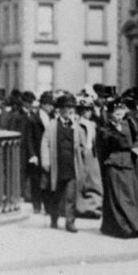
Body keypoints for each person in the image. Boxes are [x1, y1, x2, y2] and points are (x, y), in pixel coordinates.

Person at [97, 96, 138, 238]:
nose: (120, 116)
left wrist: (136, 148)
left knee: (130, 195)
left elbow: (136, 139)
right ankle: (120, 227)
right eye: (116, 113)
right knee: (117, 197)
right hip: (114, 164)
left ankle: (134, 225)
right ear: (110, 114)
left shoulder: (129, 123)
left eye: (121, 112)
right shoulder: (105, 129)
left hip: (129, 163)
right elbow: (107, 145)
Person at [40, 93, 85, 233]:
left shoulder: (75, 126)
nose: (68, 111)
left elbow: (82, 144)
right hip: (57, 166)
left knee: (71, 196)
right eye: (65, 108)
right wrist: (46, 161)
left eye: (70, 108)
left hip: (71, 166)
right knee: (56, 195)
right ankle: (54, 219)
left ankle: (70, 222)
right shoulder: (52, 125)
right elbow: (45, 143)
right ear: (59, 110)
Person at [75, 95, 103, 219]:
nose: (87, 112)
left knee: (94, 181)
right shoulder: (76, 123)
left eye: (89, 110)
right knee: (81, 180)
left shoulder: (93, 124)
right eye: (84, 110)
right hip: (81, 154)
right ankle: (81, 208)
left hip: (92, 154)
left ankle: (94, 207)